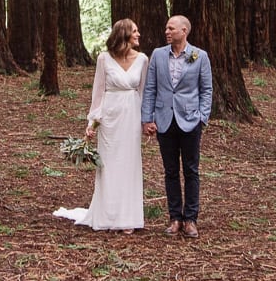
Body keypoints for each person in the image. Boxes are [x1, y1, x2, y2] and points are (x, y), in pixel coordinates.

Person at [53, 19, 148, 232]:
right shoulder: (104, 59)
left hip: (131, 115)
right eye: (135, 31)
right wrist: (93, 122)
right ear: (123, 35)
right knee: (109, 165)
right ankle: (107, 214)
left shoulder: (142, 59)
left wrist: (145, 121)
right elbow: (98, 93)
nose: (138, 34)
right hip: (110, 118)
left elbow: (143, 92)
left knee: (129, 164)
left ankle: (128, 218)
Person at [141, 15, 212, 238]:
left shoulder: (199, 56)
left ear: (184, 31)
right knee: (170, 171)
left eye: (171, 28)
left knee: (191, 171)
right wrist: (147, 118)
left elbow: (206, 89)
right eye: (166, 28)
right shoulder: (158, 55)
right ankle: (175, 218)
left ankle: (191, 219)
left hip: (191, 121)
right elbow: (150, 88)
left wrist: (202, 117)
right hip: (164, 120)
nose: (167, 31)